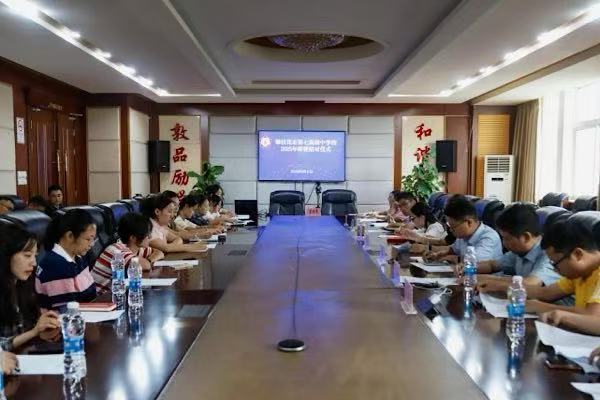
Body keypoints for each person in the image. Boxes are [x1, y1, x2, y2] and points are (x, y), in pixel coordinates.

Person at [479, 212, 600, 315]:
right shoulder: (578, 275)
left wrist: (541, 307)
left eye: (555, 264)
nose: (555, 270)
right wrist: (500, 286)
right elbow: (545, 293)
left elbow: (592, 315)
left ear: (578, 254)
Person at [0, 224, 61, 353]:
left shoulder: (22, 286)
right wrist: (34, 332)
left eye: (35, 256)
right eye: (27, 255)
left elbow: (22, 331)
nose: (34, 263)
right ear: (6, 256)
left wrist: (41, 331)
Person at [473, 203, 563, 287]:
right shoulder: (520, 252)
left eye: (507, 238)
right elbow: (492, 265)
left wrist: (486, 279)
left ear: (526, 237)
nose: (503, 243)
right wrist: (469, 269)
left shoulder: (549, 254)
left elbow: (530, 283)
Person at [35, 209, 97, 310]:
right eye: (88, 239)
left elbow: (91, 294)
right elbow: (66, 312)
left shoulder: (78, 258)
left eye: (93, 239)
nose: (92, 244)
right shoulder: (55, 266)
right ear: (70, 236)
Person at [92, 213, 164, 294]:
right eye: (147, 235)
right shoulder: (116, 250)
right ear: (133, 238)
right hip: (101, 297)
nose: (150, 237)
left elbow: (159, 253)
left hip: (117, 294)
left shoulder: (139, 248)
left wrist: (149, 260)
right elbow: (145, 266)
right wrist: (149, 261)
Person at [425, 195, 503, 263]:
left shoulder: (489, 237)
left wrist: (453, 258)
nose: (451, 230)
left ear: (469, 222)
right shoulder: (463, 236)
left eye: (453, 227)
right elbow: (453, 250)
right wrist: (438, 254)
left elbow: (476, 262)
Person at [141, 194, 207, 253]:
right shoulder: (148, 228)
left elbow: (178, 239)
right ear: (157, 211)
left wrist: (171, 247)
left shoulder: (160, 226)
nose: (172, 215)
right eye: (169, 211)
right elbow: (166, 248)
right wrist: (191, 247)